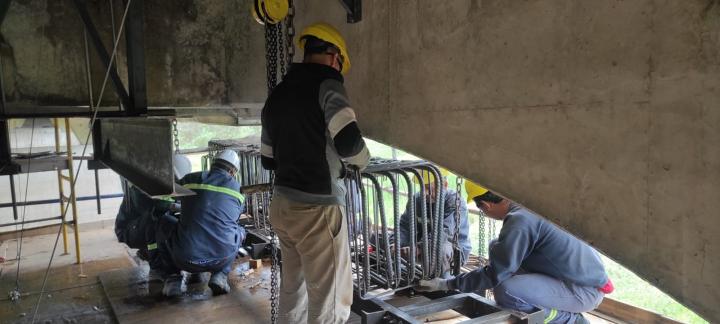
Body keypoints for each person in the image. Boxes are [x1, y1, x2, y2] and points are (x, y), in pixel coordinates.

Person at [261, 22, 370, 324]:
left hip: (283, 208)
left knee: (293, 292)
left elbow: (268, 161)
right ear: (335, 57)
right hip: (317, 210)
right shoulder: (329, 86)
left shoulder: (277, 95)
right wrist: (364, 161)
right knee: (329, 304)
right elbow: (349, 143)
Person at [418, 181, 613, 323]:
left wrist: (446, 283)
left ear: (485, 206)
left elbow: (496, 274)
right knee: (497, 246)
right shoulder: (527, 206)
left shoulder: (521, 221)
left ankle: (566, 319)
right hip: (578, 278)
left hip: (584, 290)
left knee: (506, 290)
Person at [156, 150, 246, 297]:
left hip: (184, 258)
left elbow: (166, 198)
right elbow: (232, 217)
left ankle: (173, 279)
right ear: (232, 171)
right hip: (221, 259)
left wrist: (181, 207)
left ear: (212, 164)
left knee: (163, 222)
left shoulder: (191, 179)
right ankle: (220, 275)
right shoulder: (238, 191)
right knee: (239, 231)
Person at [114, 154, 192, 280]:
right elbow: (154, 207)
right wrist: (176, 206)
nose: (176, 183)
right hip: (128, 230)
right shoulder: (141, 184)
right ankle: (157, 267)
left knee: (168, 222)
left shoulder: (164, 182)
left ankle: (152, 253)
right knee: (156, 221)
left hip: (141, 226)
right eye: (175, 179)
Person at [397, 168, 471, 277]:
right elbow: (404, 226)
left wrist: (419, 248)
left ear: (444, 185)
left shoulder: (453, 201)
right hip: (422, 248)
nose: (425, 193)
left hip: (452, 250)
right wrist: (397, 242)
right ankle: (405, 276)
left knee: (440, 250)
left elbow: (444, 231)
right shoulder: (417, 200)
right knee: (382, 238)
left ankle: (443, 283)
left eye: (429, 189)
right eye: (423, 188)